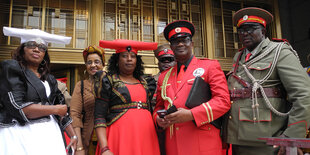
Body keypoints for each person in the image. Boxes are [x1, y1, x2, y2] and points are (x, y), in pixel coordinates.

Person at [224, 7, 310, 155]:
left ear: (263, 31)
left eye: (251, 29)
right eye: (241, 30)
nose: (245, 33)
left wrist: (292, 136)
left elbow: (304, 94)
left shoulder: (279, 51)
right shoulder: (238, 56)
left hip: (269, 139)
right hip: (238, 137)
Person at [154, 20, 231, 155]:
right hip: (173, 145)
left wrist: (191, 114)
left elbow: (223, 101)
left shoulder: (209, 66)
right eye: (175, 41)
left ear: (192, 44)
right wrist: (158, 120)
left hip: (202, 143)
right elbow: (159, 107)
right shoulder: (164, 76)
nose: (180, 44)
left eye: (185, 40)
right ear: (171, 46)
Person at [0, 27, 77, 155]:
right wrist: (55, 109)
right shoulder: (12, 69)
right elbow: (17, 107)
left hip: (49, 135)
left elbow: (61, 110)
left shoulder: (49, 79)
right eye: (31, 45)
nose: (37, 49)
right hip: (19, 134)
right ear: (22, 50)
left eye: (42, 47)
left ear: (44, 54)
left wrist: (73, 136)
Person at [94, 39, 160, 155]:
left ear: (137, 61)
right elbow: (99, 116)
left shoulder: (146, 82)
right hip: (118, 138)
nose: (129, 59)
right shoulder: (108, 81)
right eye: (124, 56)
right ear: (117, 60)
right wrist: (104, 148)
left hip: (146, 138)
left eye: (133, 56)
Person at [70, 45, 105, 155]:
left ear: (103, 64)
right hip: (90, 140)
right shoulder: (80, 86)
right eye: (89, 62)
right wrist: (79, 146)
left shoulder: (114, 83)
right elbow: (74, 116)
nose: (93, 65)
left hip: (112, 136)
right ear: (86, 66)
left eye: (97, 62)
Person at [153, 44, 176, 155]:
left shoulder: (181, 79)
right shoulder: (149, 82)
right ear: (158, 63)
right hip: (155, 128)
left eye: (170, 60)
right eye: (163, 60)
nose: (167, 63)